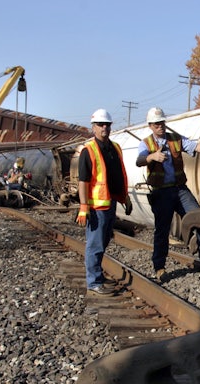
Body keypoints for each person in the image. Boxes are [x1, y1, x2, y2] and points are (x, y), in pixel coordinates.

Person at [136, 107, 200, 283]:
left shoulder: (175, 139)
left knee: (199, 218)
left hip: (180, 189)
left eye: (162, 123)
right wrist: (152, 157)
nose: (160, 126)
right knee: (162, 230)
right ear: (150, 126)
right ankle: (159, 267)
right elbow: (139, 160)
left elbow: (195, 147)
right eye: (157, 124)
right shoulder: (146, 144)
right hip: (161, 192)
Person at [76, 108, 132, 296]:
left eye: (107, 125)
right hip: (96, 207)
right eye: (100, 125)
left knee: (104, 240)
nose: (104, 128)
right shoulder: (88, 150)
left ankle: (97, 274)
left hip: (110, 203)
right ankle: (93, 282)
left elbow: (118, 175)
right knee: (95, 244)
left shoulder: (115, 148)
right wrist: (84, 207)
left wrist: (125, 197)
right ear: (93, 127)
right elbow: (83, 181)